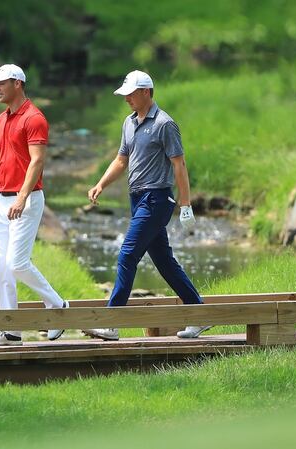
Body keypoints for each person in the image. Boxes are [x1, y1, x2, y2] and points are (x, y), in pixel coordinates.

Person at [82, 70, 210, 341]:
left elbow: (179, 164)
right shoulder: (129, 123)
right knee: (165, 262)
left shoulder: (165, 124)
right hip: (137, 199)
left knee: (127, 254)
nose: (126, 98)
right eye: (125, 93)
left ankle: (112, 323)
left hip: (156, 199)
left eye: (131, 93)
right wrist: (101, 184)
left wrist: (185, 205)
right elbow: (120, 160)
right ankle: (199, 315)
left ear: (146, 92)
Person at [0, 64, 69, 346]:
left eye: (1, 83)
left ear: (17, 84)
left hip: (25, 201)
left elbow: (37, 161)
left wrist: (21, 197)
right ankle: (10, 330)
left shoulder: (34, 118)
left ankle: (57, 305)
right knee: (1, 269)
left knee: (16, 263)